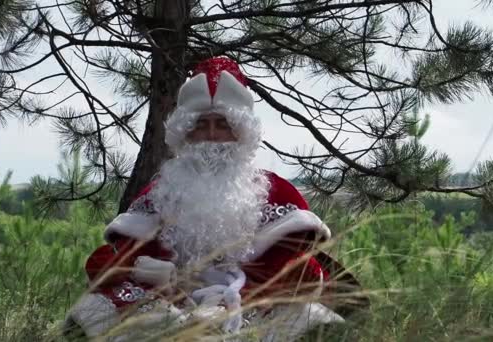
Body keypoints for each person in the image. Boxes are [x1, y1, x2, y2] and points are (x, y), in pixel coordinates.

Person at [66, 56, 347, 341]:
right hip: (169, 306)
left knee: (308, 319)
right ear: (185, 132)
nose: (212, 135)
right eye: (201, 124)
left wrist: (236, 298)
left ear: (241, 132)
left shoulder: (278, 193)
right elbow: (116, 260)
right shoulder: (161, 193)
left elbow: (297, 270)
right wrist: (159, 283)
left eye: (222, 124)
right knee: (95, 314)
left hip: (246, 305)